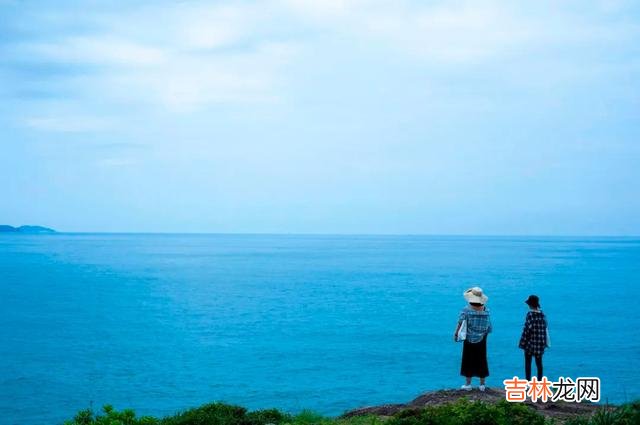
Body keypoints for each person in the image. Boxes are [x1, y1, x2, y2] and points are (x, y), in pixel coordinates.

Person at [454, 286, 492, 391]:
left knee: (468, 360)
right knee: (482, 359)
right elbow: (489, 327)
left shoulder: (466, 310)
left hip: (469, 338)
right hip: (482, 339)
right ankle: (482, 385)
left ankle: (468, 384)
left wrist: (456, 333)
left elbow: (460, 322)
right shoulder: (486, 311)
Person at [518, 295, 548, 380]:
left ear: (530, 304)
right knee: (539, 364)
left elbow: (527, 330)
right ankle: (539, 383)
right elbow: (544, 328)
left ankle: (528, 382)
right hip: (540, 343)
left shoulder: (530, 314)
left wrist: (522, 343)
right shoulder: (542, 314)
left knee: (528, 363)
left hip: (530, 344)